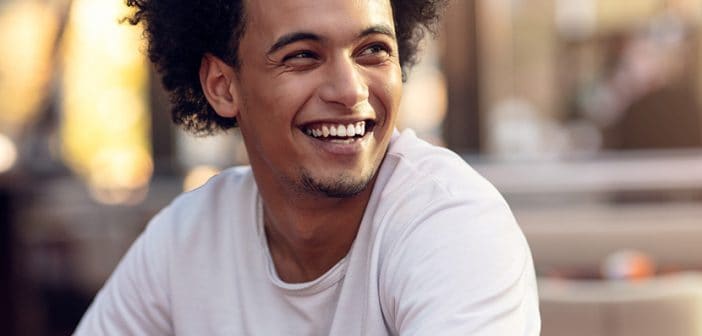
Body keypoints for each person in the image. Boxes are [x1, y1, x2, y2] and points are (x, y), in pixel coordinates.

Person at [75, 0, 540, 334]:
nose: (350, 90)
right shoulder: (186, 240)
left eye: (373, 50)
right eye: (302, 56)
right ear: (222, 85)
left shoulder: (452, 223)